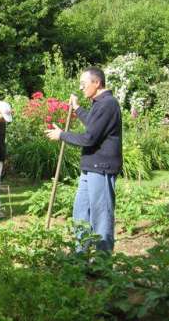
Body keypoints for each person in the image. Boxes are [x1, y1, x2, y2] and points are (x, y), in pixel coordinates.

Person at [46, 66, 122, 252]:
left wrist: (62, 135)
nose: (81, 88)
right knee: (81, 213)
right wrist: (78, 108)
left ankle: (103, 264)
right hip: (91, 168)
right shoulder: (100, 103)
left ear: (96, 83)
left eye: (83, 84)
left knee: (101, 217)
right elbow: (93, 125)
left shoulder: (108, 104)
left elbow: (89, 138)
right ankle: (80, 256)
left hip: (101, 167)